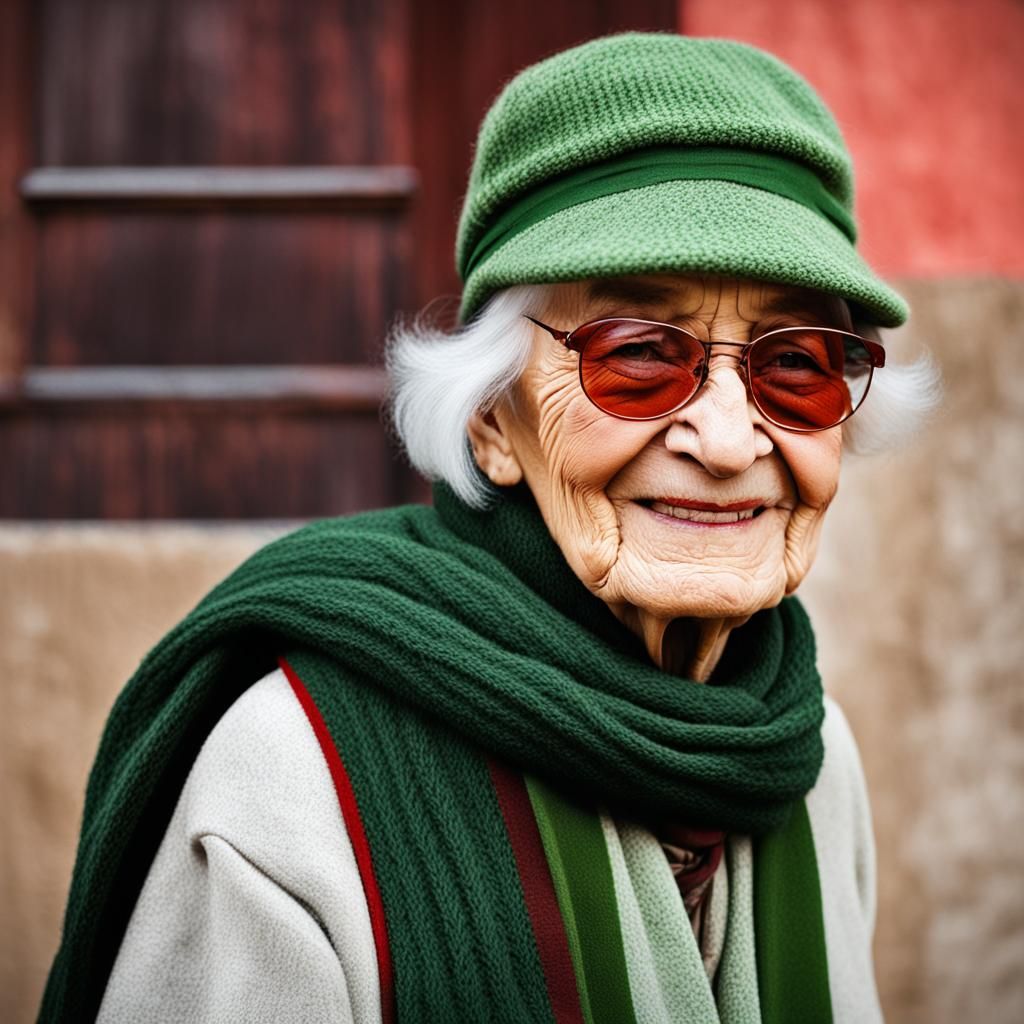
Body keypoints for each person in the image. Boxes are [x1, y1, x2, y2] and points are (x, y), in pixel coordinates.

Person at [41, 32, 939, 1024]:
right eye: (637, 353)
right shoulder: (295, 776)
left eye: (797, 364)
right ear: (490, 422)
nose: (728, 440)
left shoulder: (809, 750)